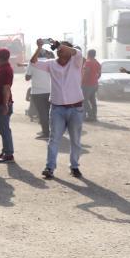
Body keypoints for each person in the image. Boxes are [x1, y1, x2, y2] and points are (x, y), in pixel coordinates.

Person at [30, 39, 85, 179]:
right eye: (58, 49)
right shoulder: (51, 64)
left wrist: (60, 45)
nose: (59, 51)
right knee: (54, 139)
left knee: (75, 140)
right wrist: (39, 47)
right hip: (57, 109)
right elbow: (33, 62)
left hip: (75, 108)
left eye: (63, 49)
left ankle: (74, 166)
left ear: (69, 51)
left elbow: (77, 52)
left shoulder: (76, 61)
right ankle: (50, 167)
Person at [26, 50, 53, 139]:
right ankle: (51, 131)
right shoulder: (50, 62)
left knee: (42, 113)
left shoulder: (32, 63)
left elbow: (27, 77)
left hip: (37, 92)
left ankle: (46, 133)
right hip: (50, 90)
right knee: (49, 112)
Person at [82, 50, 102, 121]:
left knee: (84, 100)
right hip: (95, 84)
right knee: (93, 101)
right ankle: (94, 116)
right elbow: (99, 74)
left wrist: (83, 81)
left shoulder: (88, 62)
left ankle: (90, 116)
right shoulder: (97, 63)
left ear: (88, 54)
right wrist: (95, 79)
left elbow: (86, 73)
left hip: (87, 84)